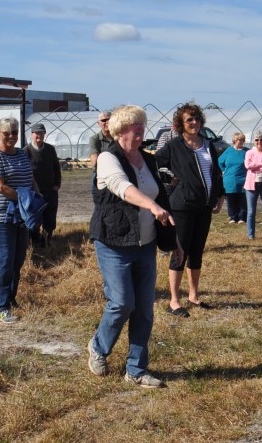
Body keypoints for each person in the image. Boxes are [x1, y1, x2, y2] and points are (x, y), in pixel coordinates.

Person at [87, 105, 173, 388]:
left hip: (145, 243)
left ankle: (136, 369)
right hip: (114, 243)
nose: (141, 131)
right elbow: (121, 187)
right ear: (120, 130)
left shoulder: (147, 159)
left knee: (144, 309)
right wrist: (151, 206)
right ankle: (98, 347)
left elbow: (161, 195)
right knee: (122, 303)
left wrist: (173, 238)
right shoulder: (107, 158)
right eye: (136, 127)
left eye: (142, 126)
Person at [155, 102, 225, 316]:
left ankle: (193, 296)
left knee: (197, 251)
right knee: (180, 251)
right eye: (189, 120)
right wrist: (170, 180)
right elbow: (154, 164)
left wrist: (220, 195)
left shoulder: (208, 144)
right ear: (181, 124)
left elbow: (215, 172)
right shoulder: (174, 146)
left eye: (197, 118)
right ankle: (174, 301)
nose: (194, 122)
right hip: (182, 206)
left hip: (204, 206)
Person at [0, 117, 36, 324]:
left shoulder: (22, 154)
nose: (11, 136)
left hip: (20, 214)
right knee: (6, 258)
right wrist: (25, 199)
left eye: (14, 132)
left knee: (18, 258)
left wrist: (37, 197)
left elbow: (30, 178)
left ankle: (11, 298)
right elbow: (0, 187)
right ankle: (2, 307)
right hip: (0, 214)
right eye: (7, 133)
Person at [25, 122, 62, 245]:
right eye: (36, 133)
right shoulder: (26, 151)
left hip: (50, 189)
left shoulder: (50, 149)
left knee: (50, 216)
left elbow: (56, 168)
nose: (39, 136)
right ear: (31, 135)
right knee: (34, 217)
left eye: (41, 133)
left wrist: (57, 185)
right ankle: (35, 241)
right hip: (34, 192)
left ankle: (48, 239)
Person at [219, 132, 248, 224]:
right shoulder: (229, 150)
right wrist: (223, 170)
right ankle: (232, 217)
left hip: (243, 179)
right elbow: (220, 161)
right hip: (229, 179)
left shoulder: (247, 151)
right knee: (231, 198)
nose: (242, 141)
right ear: (235, 140)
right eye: (240, 139)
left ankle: (242, 217)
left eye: (243, 140)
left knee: (242, 198)